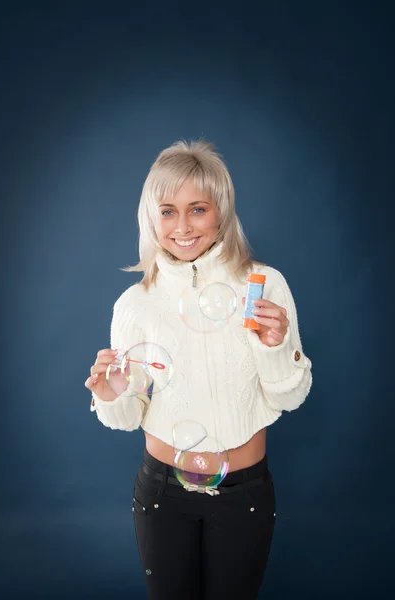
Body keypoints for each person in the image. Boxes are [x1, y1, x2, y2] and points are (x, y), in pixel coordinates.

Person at [85, 139, 312, 600]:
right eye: (168, 211)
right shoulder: (136, 304)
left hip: (244, 492)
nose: (183, 226)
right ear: (152, 218)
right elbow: (130, 417)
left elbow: (289, 397)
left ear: (221, 213)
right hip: (162, 493)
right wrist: (112, 396)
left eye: (198, 209)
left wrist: (276, 347)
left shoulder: (262, 286)